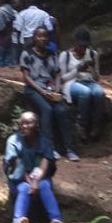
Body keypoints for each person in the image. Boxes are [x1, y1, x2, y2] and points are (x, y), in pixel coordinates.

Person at [19, 26, 79, 161]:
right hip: (34, 89)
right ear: (34, 38)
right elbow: (26, 77)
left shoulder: (53, 54)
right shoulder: (27, 54)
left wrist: (57, 90)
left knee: (62, 110)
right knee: (46, 110)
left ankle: (69, 149)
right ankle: (49, 147)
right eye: (40, 36)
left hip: (51, 89)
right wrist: (42, 91)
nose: (43, 39)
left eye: (45, 36)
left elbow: (57, 74)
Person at [4, 111, 62, 223]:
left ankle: (56, 220)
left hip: (40, 178)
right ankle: (18, 221)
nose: (24, 126)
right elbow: (16, 165)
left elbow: (46, 161)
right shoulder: (13, 141)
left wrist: (36, 181)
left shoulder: (44, 141)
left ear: (36, 125)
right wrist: (30, 183)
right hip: (19, 179)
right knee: (24, 188)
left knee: (44, 185)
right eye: (21, 123)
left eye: (28, 123)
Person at [59, 27, 107, 142]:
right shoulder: (65, 55)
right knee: (85, 92)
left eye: (86, 46)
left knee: (99, 93)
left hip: (89, 81)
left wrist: (92, 67)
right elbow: (62, 78)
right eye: (81, 46)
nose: (83, 49)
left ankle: (96, 125)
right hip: (71, 83)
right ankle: (81, 125)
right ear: (75, 43)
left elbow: (97, 78)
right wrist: (77, 69)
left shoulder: (92, 54)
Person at [0, 0, 18, 67]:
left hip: (0, 40)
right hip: (9, 39)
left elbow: (0, 28)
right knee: (8, 63)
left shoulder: (0, 11)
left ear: (2, 0)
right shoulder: (12, 10)